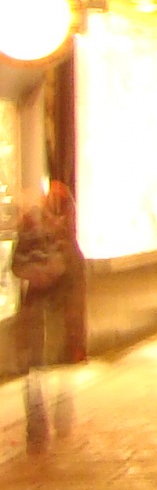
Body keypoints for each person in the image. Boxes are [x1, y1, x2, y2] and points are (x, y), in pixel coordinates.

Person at [12, 177, 86, 450]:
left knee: (38, 371)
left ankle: (41, 428)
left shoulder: (43, 232)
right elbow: (75, 284)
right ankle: (50, 424)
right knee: (47, 370)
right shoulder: (57, 238)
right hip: (48, 316)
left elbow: (17, 266)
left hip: (42, 314)